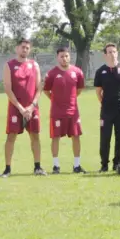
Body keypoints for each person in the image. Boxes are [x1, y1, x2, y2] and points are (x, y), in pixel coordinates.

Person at [2, 38, 45, 177]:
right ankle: (7, 169)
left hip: (32, 107)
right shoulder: (9, 65)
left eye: (27, 47)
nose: (25, 50)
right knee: (11, 137)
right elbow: (8, 89)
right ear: (17, 48)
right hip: (16, 107)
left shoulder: (34, 65)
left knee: (35, 136)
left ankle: (37, 167)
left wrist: (32, 106)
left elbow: (39, 88)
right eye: (22, 47)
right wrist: (20, 108)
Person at [44, 45, 86, 174]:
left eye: (66, 56)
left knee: (76, 136)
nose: (64, 58)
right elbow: (46, 90)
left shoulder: (77, 72)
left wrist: (70, 100)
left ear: (70, 56)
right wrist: (55, 100)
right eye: (61, 56)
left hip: (73, 112)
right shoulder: (51, 73)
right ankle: (56, 166)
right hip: (57, 112)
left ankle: (77, 166)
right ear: (57, 57)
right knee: (55, 137)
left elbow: (79, 90)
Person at [94, 43, 120, 172]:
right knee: (105, 138)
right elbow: (98, 92)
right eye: (109, 52)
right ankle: (104, 164)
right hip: (106, 110)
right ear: (105, 55)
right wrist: (104, 103)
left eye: (114, 51)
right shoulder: (100, 71)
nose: (112, 54)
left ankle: (117, 163)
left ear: (117, 53)